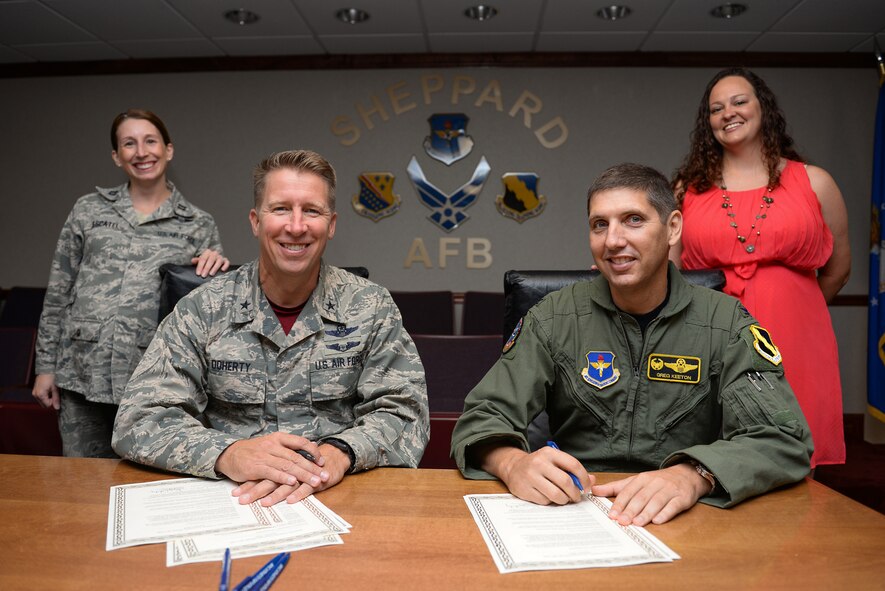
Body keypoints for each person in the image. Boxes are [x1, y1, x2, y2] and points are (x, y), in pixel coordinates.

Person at [451, 163, 812, 527]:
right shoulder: (555, 317)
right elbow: (481, 418)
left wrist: (694, 475)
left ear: (673, 228)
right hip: (575, 509)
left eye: (633, 220)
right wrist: (513, 463)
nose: (613, 240)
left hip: (684, 515)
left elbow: (783, 439)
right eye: (599, 225)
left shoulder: (726, 323)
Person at [113, 149, 429, 507]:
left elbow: (406, 413)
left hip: (337, 494)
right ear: (255, 220)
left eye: (311, 210)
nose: (296, 226)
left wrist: (341, 453)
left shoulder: (371, 308)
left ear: (332, 224)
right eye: (280, 209)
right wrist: (228, 453)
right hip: (232, 497)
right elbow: (138, 419)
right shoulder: (202, 310)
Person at [671, 67, 850, 467]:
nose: (727, 113)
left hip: (798, 337)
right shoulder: (688, 189)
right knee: (713, 458)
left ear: (763, 108)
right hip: (712, 338)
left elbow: (839, 269)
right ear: (708, 123)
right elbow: (668, 270)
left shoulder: (815, 181)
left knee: (799, 459)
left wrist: (796, 306)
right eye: (716, 109)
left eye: (739, 101)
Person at [33, 109, 229, 458]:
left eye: (150, 141)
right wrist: (45, 367)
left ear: (168, 150)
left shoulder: (197, 224)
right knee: (81, 485)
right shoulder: (88, 210)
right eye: (129, 143)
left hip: (150, 381)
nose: (141, 152)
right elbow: (59, 291)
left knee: (143, 485)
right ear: (116, 156)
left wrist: (218, 269)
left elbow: (205, 310)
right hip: (82, 373)